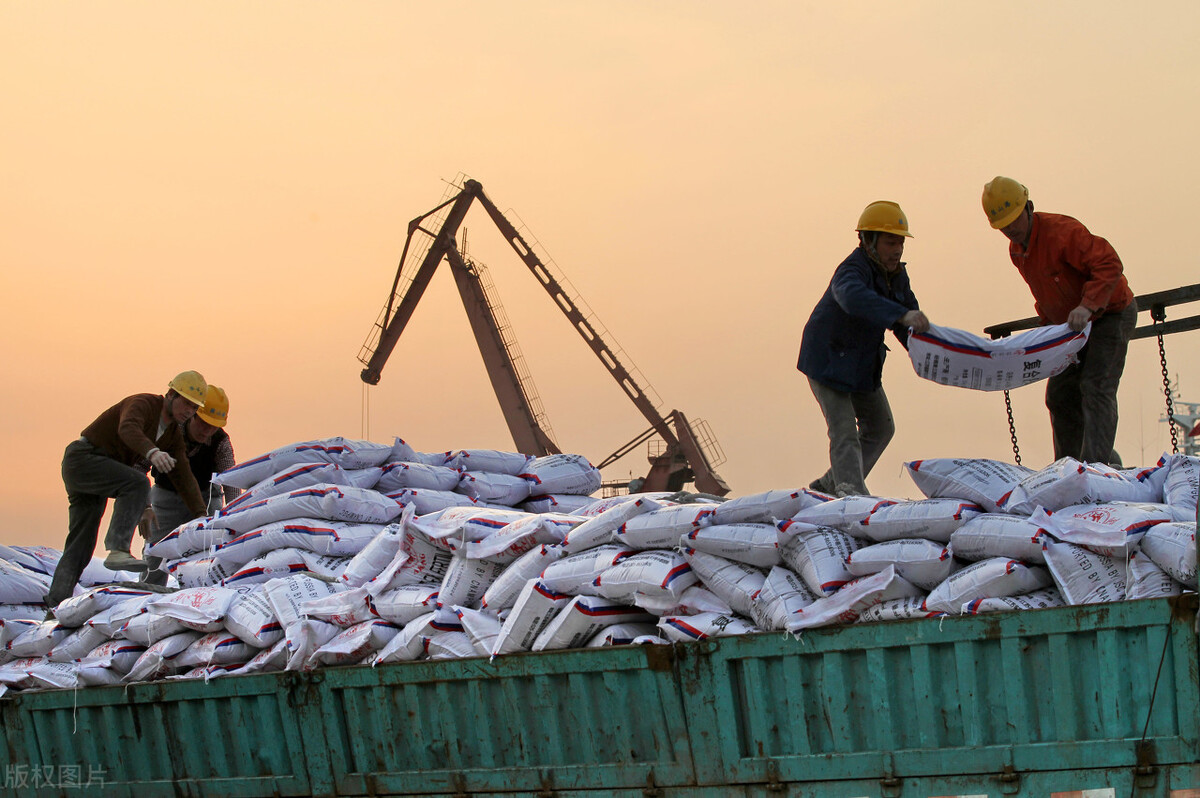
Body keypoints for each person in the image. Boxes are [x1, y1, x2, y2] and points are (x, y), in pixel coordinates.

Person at [982, 177, 1137, 466]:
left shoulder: (1063, 232)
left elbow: (1109, 264)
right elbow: (1047, 294)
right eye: (1003, 226)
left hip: (1109, 315)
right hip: (1069, 328)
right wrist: (1045, 339)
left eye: (1014, 220)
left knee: (1096, 387)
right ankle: (1068, 467)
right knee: (1059, 396)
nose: (1010, 229)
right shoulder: (1017, 250)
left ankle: (1094, 468)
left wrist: (1087, 306)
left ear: (1029, 207)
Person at [797, 201, 930, 497]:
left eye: (900, 243)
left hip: (860, 365)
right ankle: (850, 492)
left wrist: (931, 354)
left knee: (881, 427)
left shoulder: (896, 276)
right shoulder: (851, 271)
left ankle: (831, 483)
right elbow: (852, 298)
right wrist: (900, 315)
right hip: (828, 360)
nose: (897, 250)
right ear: (869, 241)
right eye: (890, 242)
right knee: (844, 431)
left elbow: (908, 322)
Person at [45, 371, 211, 609]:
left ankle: (55, 606)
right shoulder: (143, 404)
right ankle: (118, 548)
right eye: (186, 403)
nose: (189, 411)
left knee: (81, 545)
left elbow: (182, 474)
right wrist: (152, 452)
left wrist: (200, 514)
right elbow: (128, 428)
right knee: (139, 482)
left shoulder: (172, 434)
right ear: (171, 394)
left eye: (194, 408)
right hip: (83, 459)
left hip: (99, 472)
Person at [141, 385, 239, 585]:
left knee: (208, 552)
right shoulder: (168, 431)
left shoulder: (220, 443)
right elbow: (139, 467)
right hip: (166, 497)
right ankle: (148, 592)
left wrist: (236, 517)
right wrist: (144, 506)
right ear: (193, 414)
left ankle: (202, 595)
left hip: (205, 498)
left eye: (213, 426)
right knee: (155, 552)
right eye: (203, 423)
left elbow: (231, 483)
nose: (207, 431)